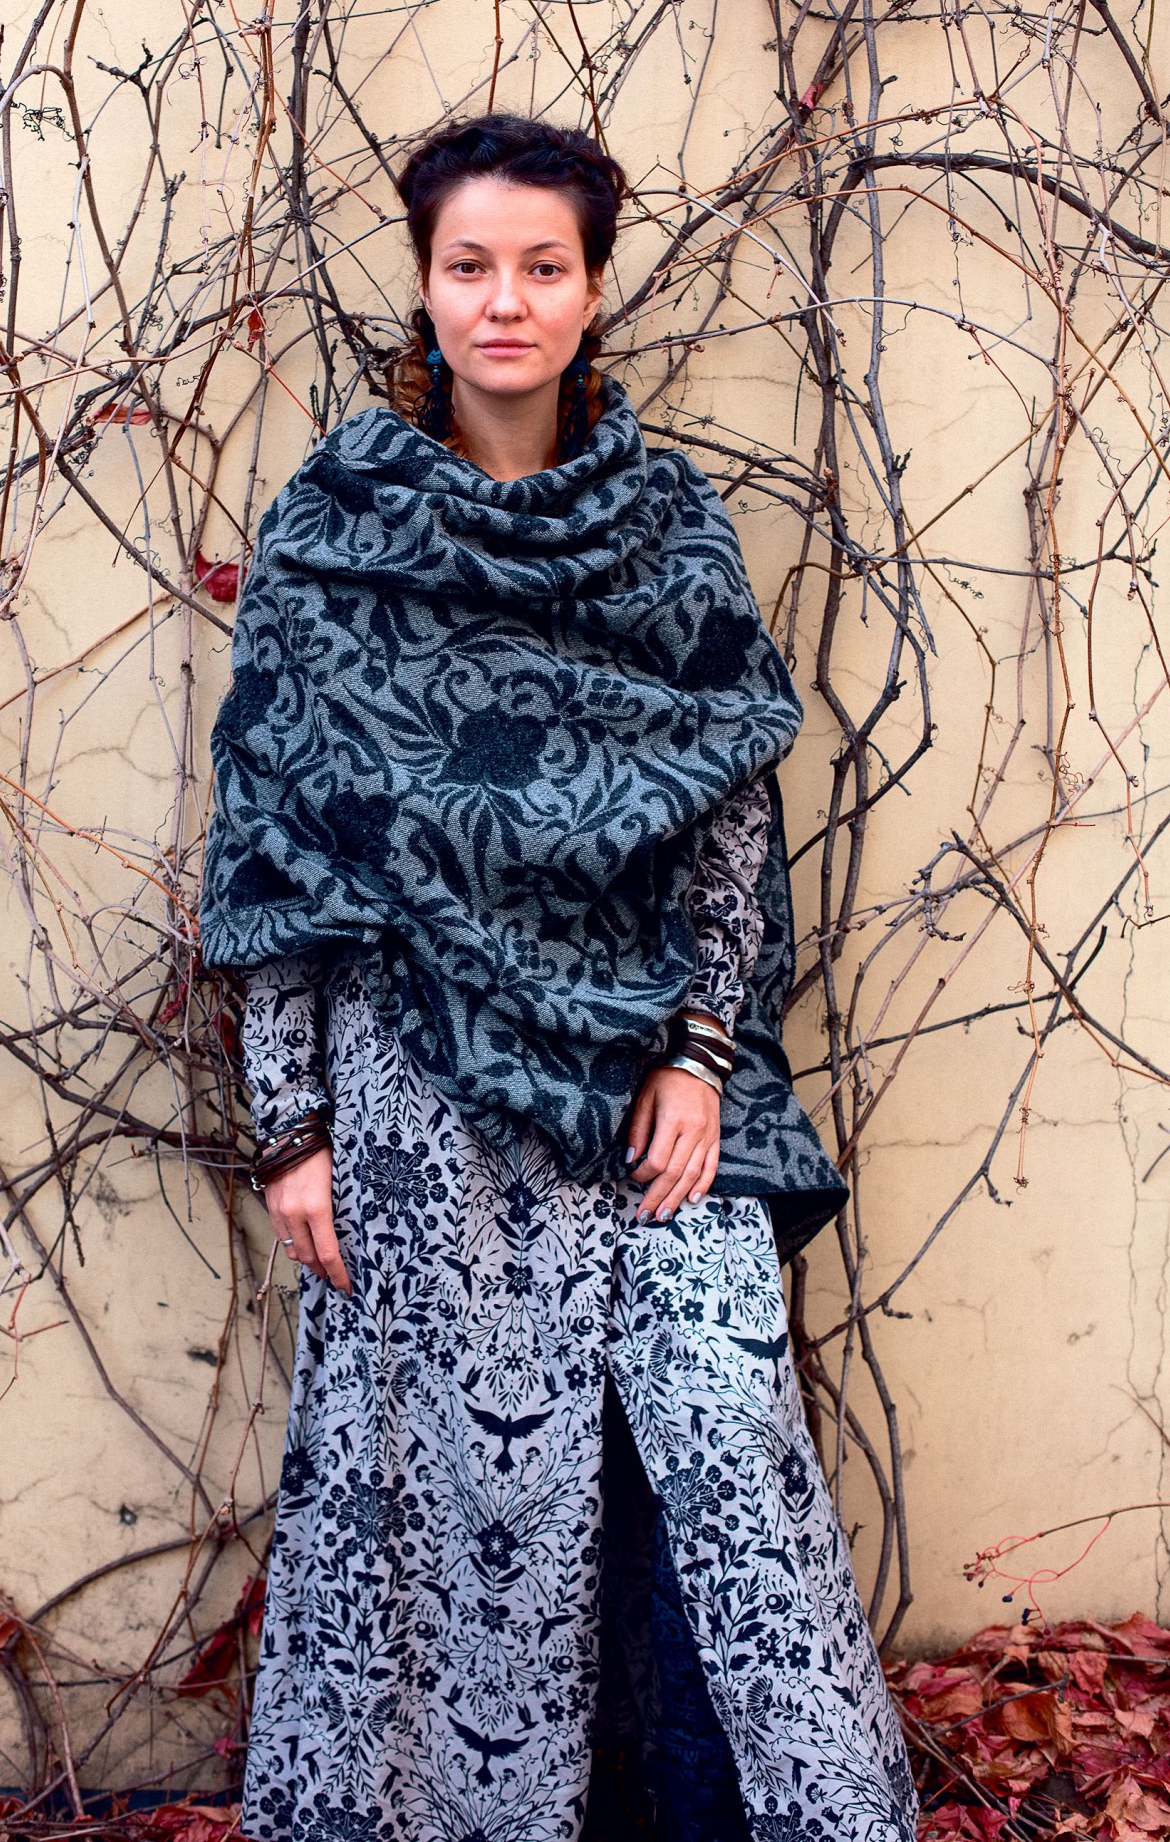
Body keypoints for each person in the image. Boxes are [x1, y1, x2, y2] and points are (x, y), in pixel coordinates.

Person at [200, 114, 918, 1842]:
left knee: (719, 1432)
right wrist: (291, 1125)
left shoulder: (666, 531)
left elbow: (729, 818)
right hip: (409, 1078)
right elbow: (271, 836)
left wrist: (698, 1053)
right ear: (424, 282)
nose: (503, 300)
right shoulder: (334, 528)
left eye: (541, 265)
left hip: (641, 1071)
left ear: (592, 288)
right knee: (443, 1491)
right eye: (469, 265)